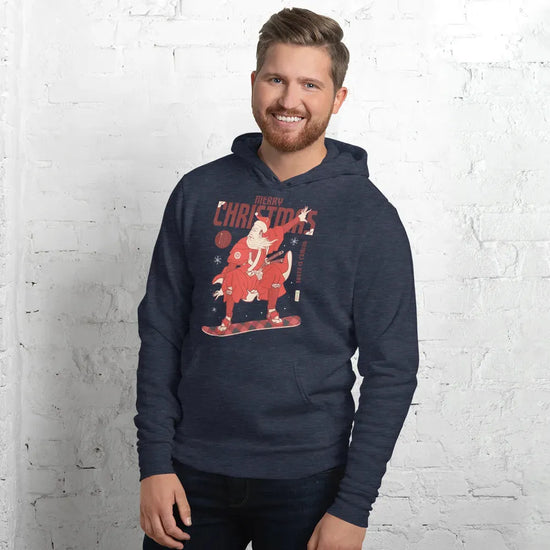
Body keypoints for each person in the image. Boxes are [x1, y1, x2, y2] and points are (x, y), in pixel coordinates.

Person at [135, 7, 419, 550]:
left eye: (310, 84)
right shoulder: (198, 192)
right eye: (276, 79)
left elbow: (392, 370)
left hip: (308, 482)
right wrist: (154, 463)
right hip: (189, 472)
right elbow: (161, 331)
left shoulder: (369, 216)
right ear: (254, 82)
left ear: (338, 98)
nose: (290, 100)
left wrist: (353, 507)